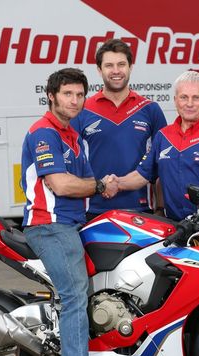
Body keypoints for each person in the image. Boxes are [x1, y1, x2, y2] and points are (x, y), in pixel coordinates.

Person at [109, 70, 199, 356]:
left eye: (196, 97)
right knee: (174, 300)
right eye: (184, 97)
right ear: (175, 100)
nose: (190, 103)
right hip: (174, 230)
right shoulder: (164, 136)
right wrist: (112, 185)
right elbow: (142, 175)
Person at [21, 68, 117, 356]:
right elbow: (62, 185)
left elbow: (87, 181)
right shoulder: (44, 133)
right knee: (76, 295)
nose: (74, 101)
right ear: (51, 95)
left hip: (75, 223)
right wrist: (99, 186)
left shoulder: (74, 136)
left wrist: (100, 185)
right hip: (50, 226)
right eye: (67, 94)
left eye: (79, 95)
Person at [71, 38, 167, 220]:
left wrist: (160, 208)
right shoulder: (83, 110)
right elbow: (72, 163)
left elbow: (163, 163)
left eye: (121, 64)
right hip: (94, 211)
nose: (116, 71)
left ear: (130, 67)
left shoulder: (150, 109)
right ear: (99, 70)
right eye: (109, 65)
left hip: (143, 211)